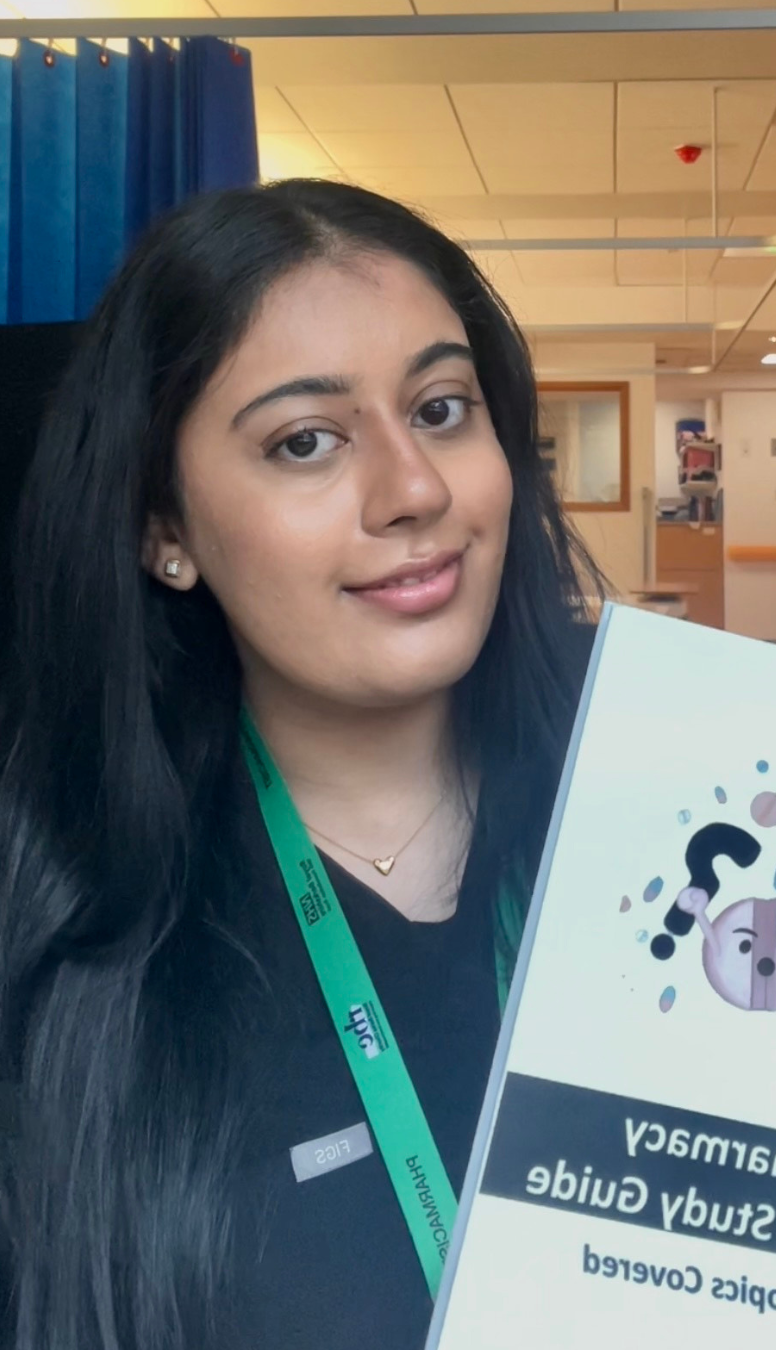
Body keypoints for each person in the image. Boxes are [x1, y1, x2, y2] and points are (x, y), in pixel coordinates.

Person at [0, 179, 603, 1350]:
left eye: (440, 409)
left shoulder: (674, 826)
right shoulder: (61, 936)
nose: (414, 490)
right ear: (161, 529)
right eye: (306, 441)